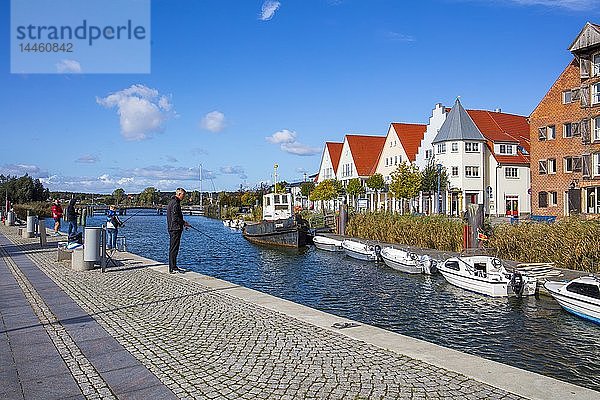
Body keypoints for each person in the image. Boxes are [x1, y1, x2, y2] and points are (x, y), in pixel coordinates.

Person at [167, 188, 190, 273]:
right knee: (174, 248)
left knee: (174, 248)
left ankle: (173, 266)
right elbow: (175, 218)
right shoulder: (175, 203)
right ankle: (172, 268)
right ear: (179, 194)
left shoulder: (172, 202)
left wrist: (183, 223)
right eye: (183, 195)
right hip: (175, 229)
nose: (184, 197)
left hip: (173, 228)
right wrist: (184, 223)